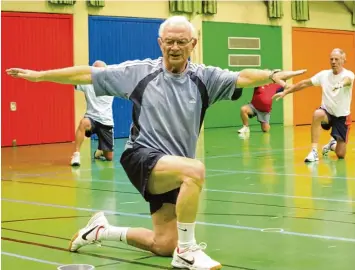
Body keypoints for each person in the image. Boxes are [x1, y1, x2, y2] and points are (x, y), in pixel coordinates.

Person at [7, 15, 306, 270]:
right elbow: (89, 73)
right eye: (169, 41)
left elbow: (241, 77)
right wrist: (41, 76)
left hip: (172, 168)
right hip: (142, 156)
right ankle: (187, 252)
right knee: (195, 171)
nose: (175, 47)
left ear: (193, 44)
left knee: (163, 244)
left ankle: (102, 231)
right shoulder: (139, 73)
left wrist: (272, 74)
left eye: (181, 41)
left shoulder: (206, 78)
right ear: (160, 42)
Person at [274, 48, 354, 163]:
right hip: (327, 113)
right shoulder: (324, 75)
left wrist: (341, 84)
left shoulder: (348, 74)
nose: (333, 62)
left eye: (337, 59)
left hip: (342, 117)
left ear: (343, 60)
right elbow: (304, 83)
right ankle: (314, 151)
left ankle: (332, 144)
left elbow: (348, 81)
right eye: (331, 59)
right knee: (318, 114)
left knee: (340, 155)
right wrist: (286, 92)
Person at [71, 60, 114, 166]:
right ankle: (76, 155)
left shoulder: (112, 85)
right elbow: (73, 81)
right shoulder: (87, 83)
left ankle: (100, 150)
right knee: (83, 123)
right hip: (92, 119)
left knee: (109, 158)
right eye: (95, 70)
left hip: (106, 121)